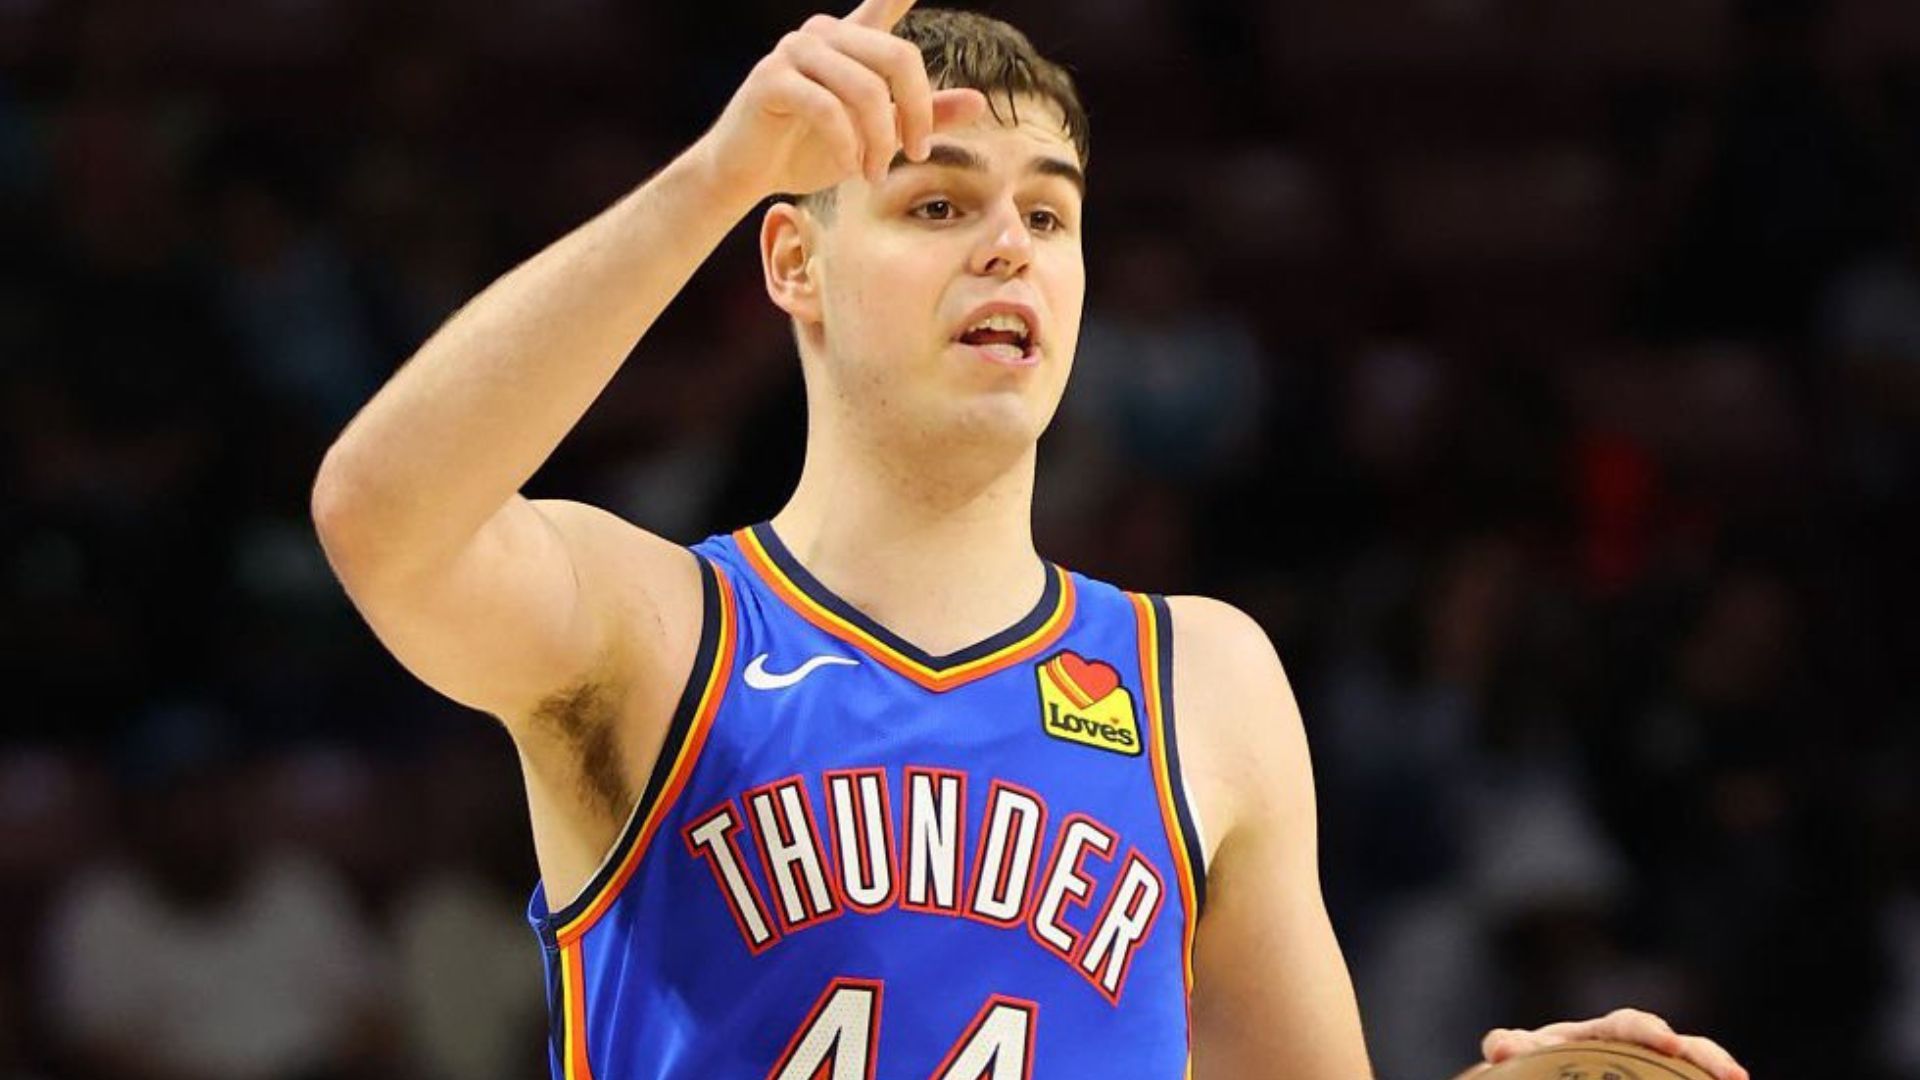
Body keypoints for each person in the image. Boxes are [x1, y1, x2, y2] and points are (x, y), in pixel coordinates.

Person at [310, 3, 1751, 1076]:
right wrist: (717, 177)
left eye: (1048, 216)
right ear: (795, 261)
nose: (1008, 245)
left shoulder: (1207, 680)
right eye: (938, 203)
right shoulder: (659, 629)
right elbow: (379, 517)